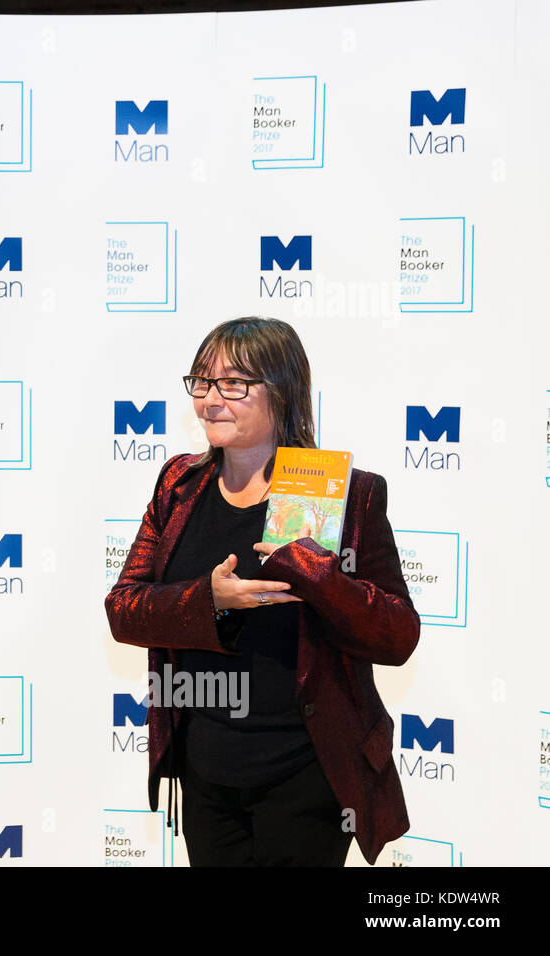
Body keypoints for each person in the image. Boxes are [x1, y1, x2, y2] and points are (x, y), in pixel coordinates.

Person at [103, 317, 419, 866]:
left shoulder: (345, 494)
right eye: (201, 383)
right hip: (207, 774)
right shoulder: (179, 486)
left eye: (233, 384)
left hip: (308, 773)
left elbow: (396, 636)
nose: (210, 400)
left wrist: (318, 575)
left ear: (282, 391)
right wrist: (209, 601)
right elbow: (124, 609)